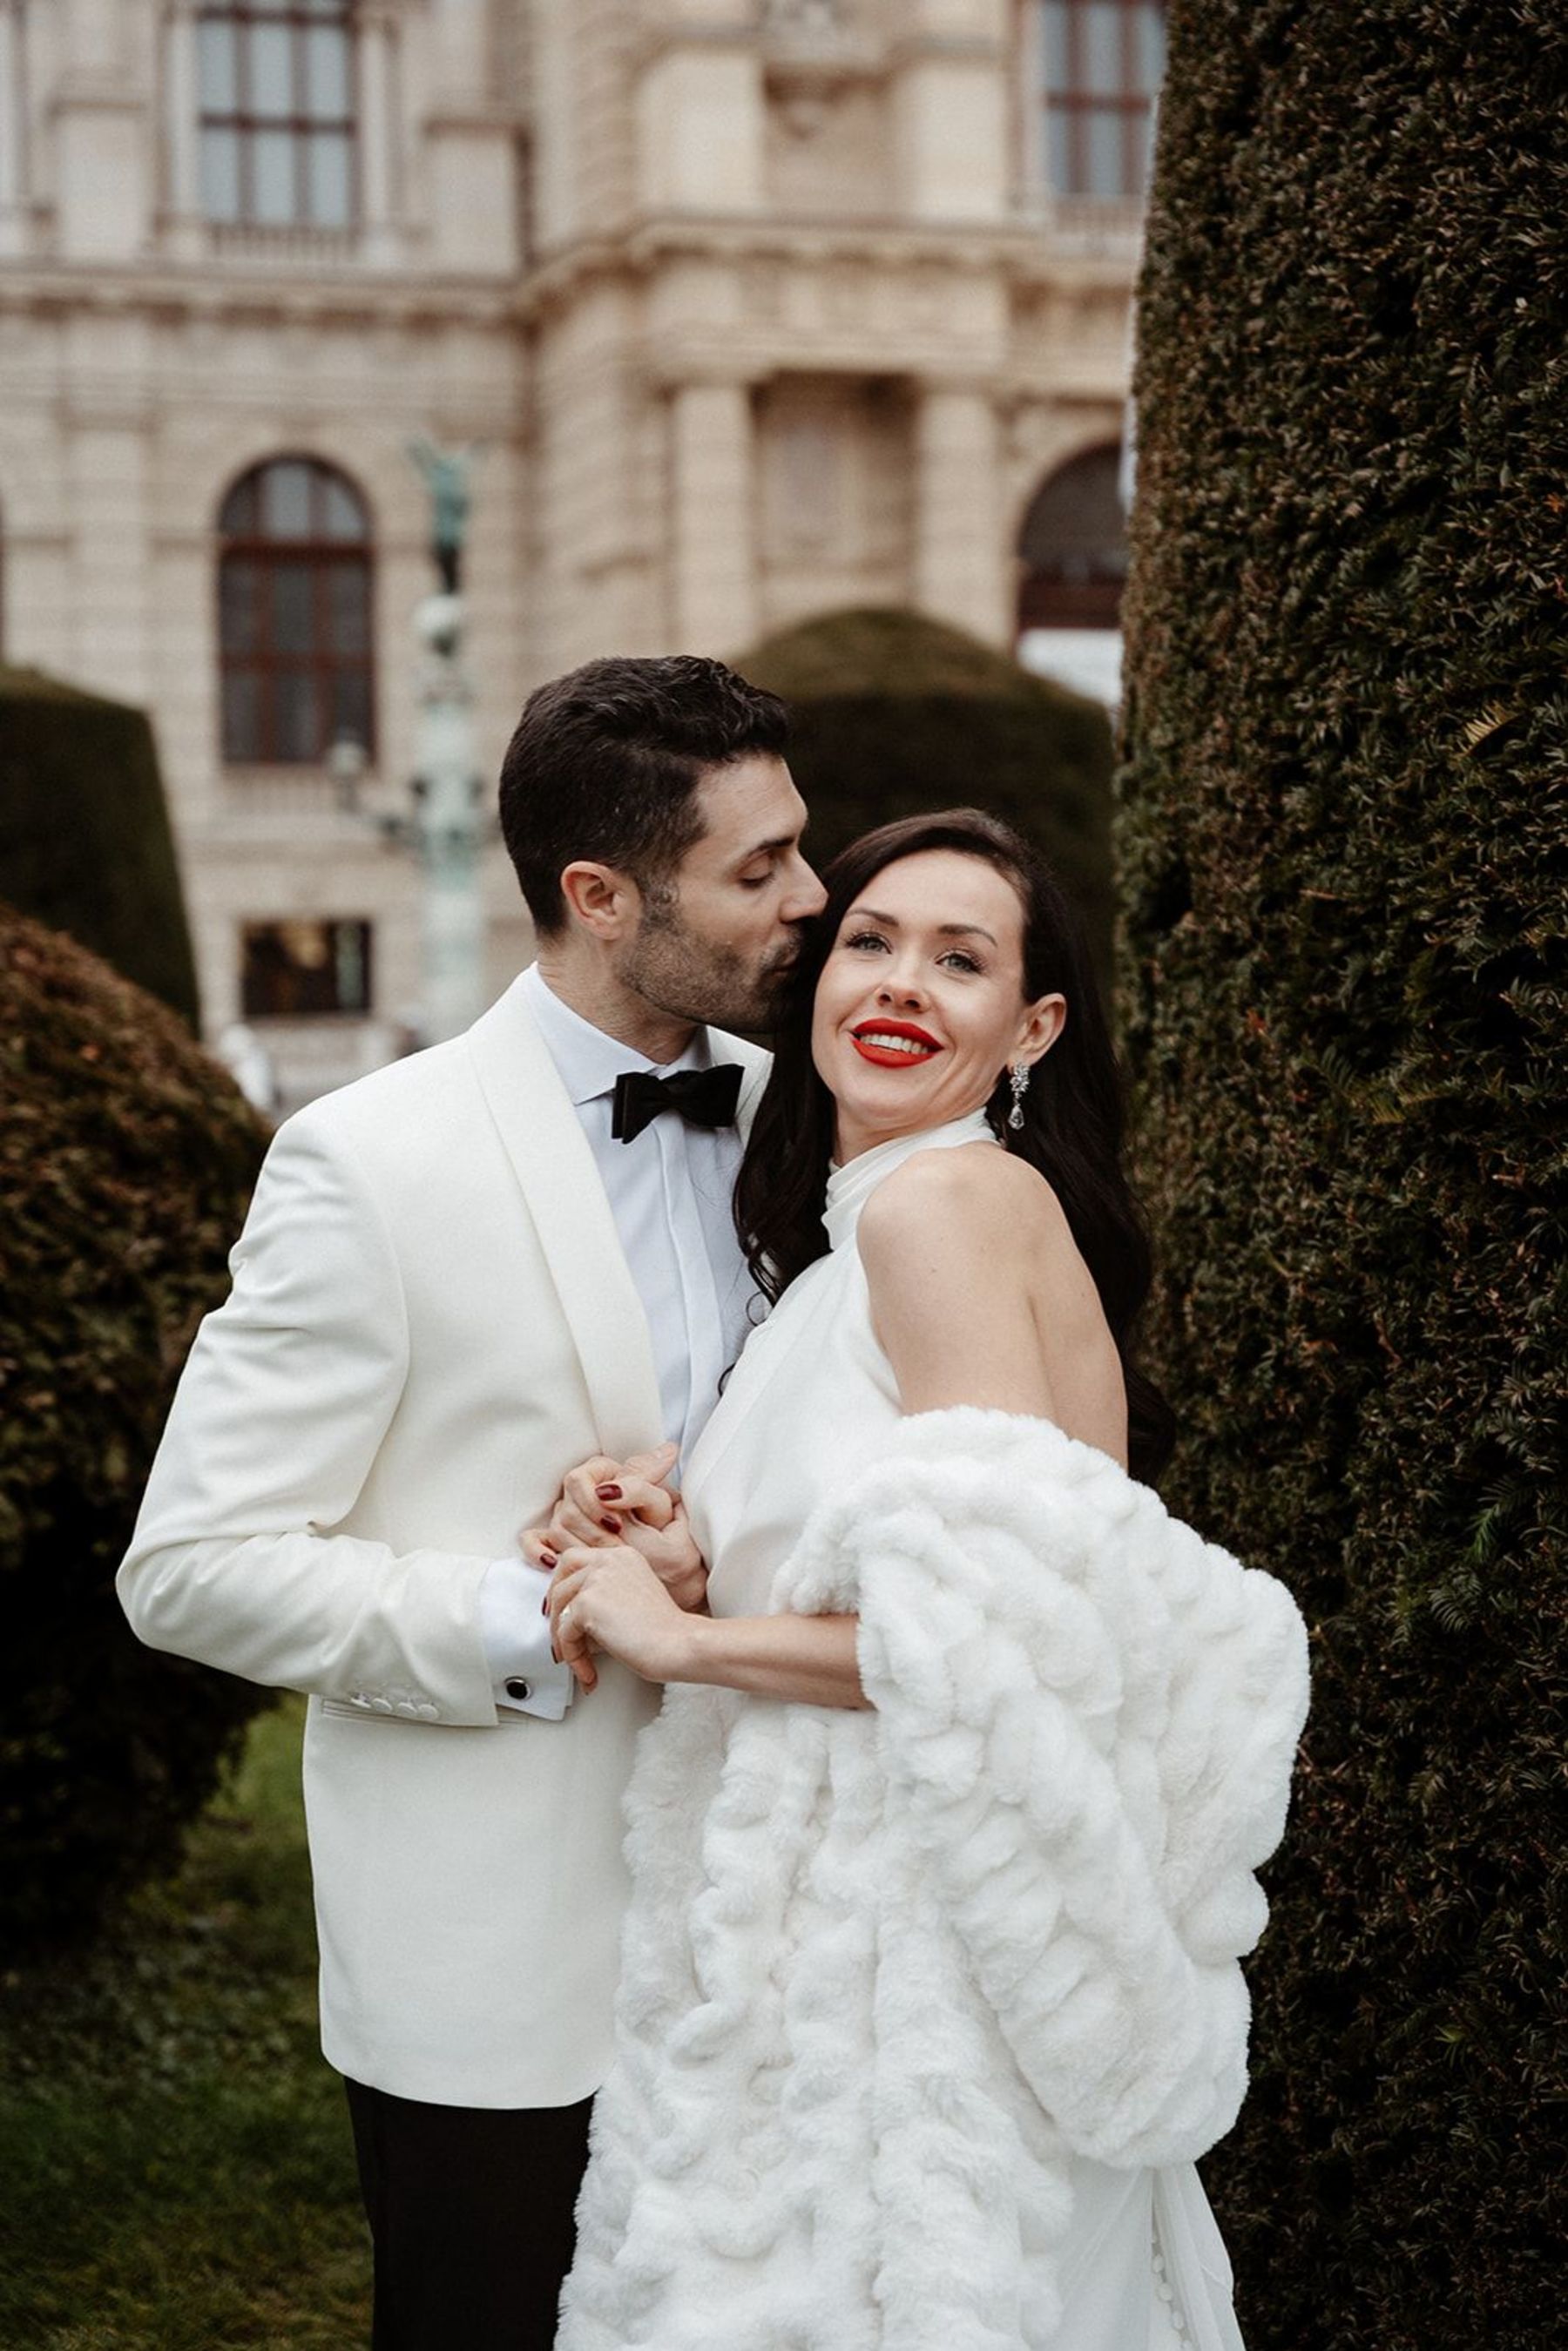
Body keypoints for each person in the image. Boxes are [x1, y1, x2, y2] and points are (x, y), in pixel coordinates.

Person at [116, 655, 825, 2351]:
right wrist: (535, 1617)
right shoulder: (370, 1162)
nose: (812, 895)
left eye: (803, 846)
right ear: (601, 895)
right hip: (503, 1967)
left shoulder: (813, 1127)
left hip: (783, 1933)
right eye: (760, 867)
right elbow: (190, 1564)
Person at [531, 809, 1310, 2350]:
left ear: (1033, 1029)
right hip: (847, 1928)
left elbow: (985, 1646)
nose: (899, 982)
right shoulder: (864, 1243)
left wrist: (680, 1647)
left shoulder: (941, 1208)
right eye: (871, 942)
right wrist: (685, 1559)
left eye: (961, 961)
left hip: (905, 1963)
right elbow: (911, 1578)